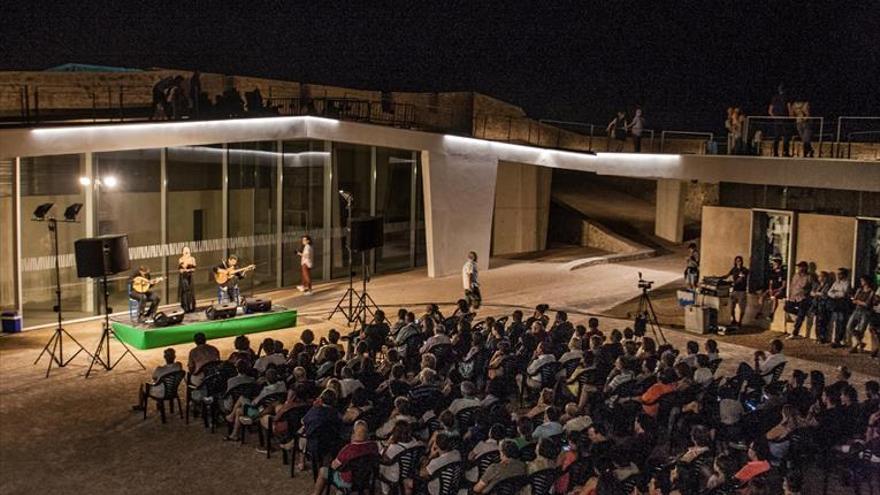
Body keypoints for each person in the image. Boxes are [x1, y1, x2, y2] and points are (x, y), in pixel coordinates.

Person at [312, 420, 379, 495]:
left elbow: (333, 466)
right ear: (367, 434)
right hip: (366, 480)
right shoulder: (374, 446)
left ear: (353, 434)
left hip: (348, 482)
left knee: (322, 471)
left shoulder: (348, 449)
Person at [845, 275, 876, 353]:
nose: (861, 282)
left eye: (863, 281)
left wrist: (858, 301)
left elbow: (867, 304)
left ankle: (856, 347)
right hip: (857, 310)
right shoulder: (859, 290)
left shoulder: (871, 292)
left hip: (865, 312)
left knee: (861, 330)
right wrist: (854, 299)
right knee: (849, 327)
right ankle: (860, 343)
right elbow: (854, 299)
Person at [787, 261, 814, 339]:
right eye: (799, 267)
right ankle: (799, 315)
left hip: (803, 298)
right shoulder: (795, 275)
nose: (799, 268)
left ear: (805, 268)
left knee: (801, 313)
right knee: (787, 307)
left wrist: (808, 293)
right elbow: (792, 286)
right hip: (794, 297)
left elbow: (813, 286)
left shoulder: (809, 277)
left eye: (801, 267)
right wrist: (790, 295)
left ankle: (795, 332)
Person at [828, 267, 852, 348]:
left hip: (843, 305)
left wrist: (835, 293)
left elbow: (844, 294)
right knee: (837, 322)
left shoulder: (847, 283)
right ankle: (836, 339)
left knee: (842, 322)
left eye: (839, 274)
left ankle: (840, 340)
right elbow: (829, 292)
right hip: (836, 304)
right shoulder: (836, 283)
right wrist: (836, 294)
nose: (838, 275)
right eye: (837, 274)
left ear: (844, 274)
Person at [768, 84, 792, 157]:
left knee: (776, 137)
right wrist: (790, 117)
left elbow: (770, 110)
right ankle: (785, 152)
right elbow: (789, 108)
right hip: (785, 119)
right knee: (786, 136)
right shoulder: (787, 97)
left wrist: (774, 117)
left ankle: (775, 152)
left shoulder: (774, 98)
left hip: (777, 120)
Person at [726, 255, 749, 326]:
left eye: (739, 261)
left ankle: (740, 321)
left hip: (741, 290)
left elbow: (740, 279)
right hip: (734, 290)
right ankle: (734, 319)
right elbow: (728, 275)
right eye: (737, 261)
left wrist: (734, 283)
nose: (738, 262)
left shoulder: (744, 270)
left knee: (742, 307)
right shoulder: (734, 269)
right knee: (731, 306)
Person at [178, 246, 196, 313]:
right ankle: (185, 308)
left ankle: (192, 307)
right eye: (185, 251)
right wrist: (186, 259)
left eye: (188, 250)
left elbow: (194, 268)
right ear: (183, 252)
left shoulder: (192, 258)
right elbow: (182, 269)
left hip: (190, 276)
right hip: (184, 277)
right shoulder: (181, 259)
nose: (187, 252)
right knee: (185, 292)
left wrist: (189, 269)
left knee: (191, 291)